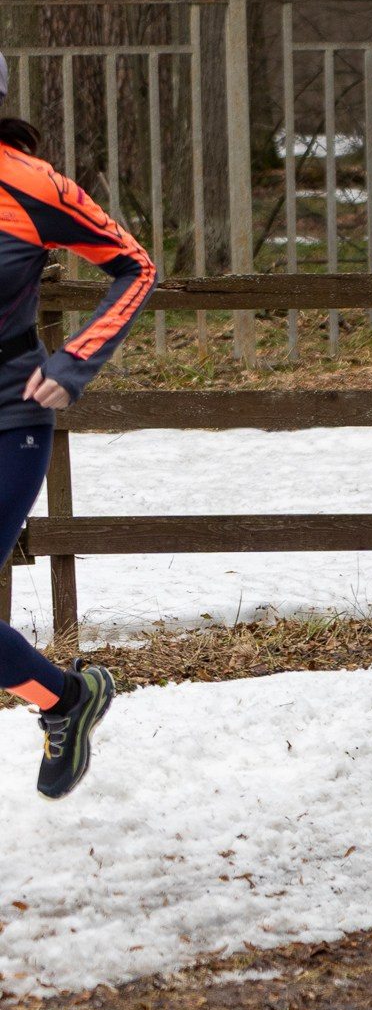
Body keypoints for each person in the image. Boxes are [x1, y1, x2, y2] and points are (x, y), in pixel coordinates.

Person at [0, 59, 157, 800]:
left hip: (12, 409)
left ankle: (65, 701)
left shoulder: (33, 184)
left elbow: (136, 266)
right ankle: (67, 699)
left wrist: (75, 359)